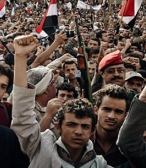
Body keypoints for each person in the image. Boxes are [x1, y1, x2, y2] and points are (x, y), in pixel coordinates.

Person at [11, 35, 108, 167]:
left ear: (93, 131)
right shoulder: (41, 147)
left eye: (85, 126)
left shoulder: (100, 164)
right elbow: (22, 115)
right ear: (57, 127)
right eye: (71, 125)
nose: (78, 132)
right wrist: (20, 57)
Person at [93, 85, 129, 167]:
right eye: (106, 109)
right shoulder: (83, 140)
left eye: (118, 112)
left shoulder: (129, 147)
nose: (111, 116)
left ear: (125, 116)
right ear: (96, 110)